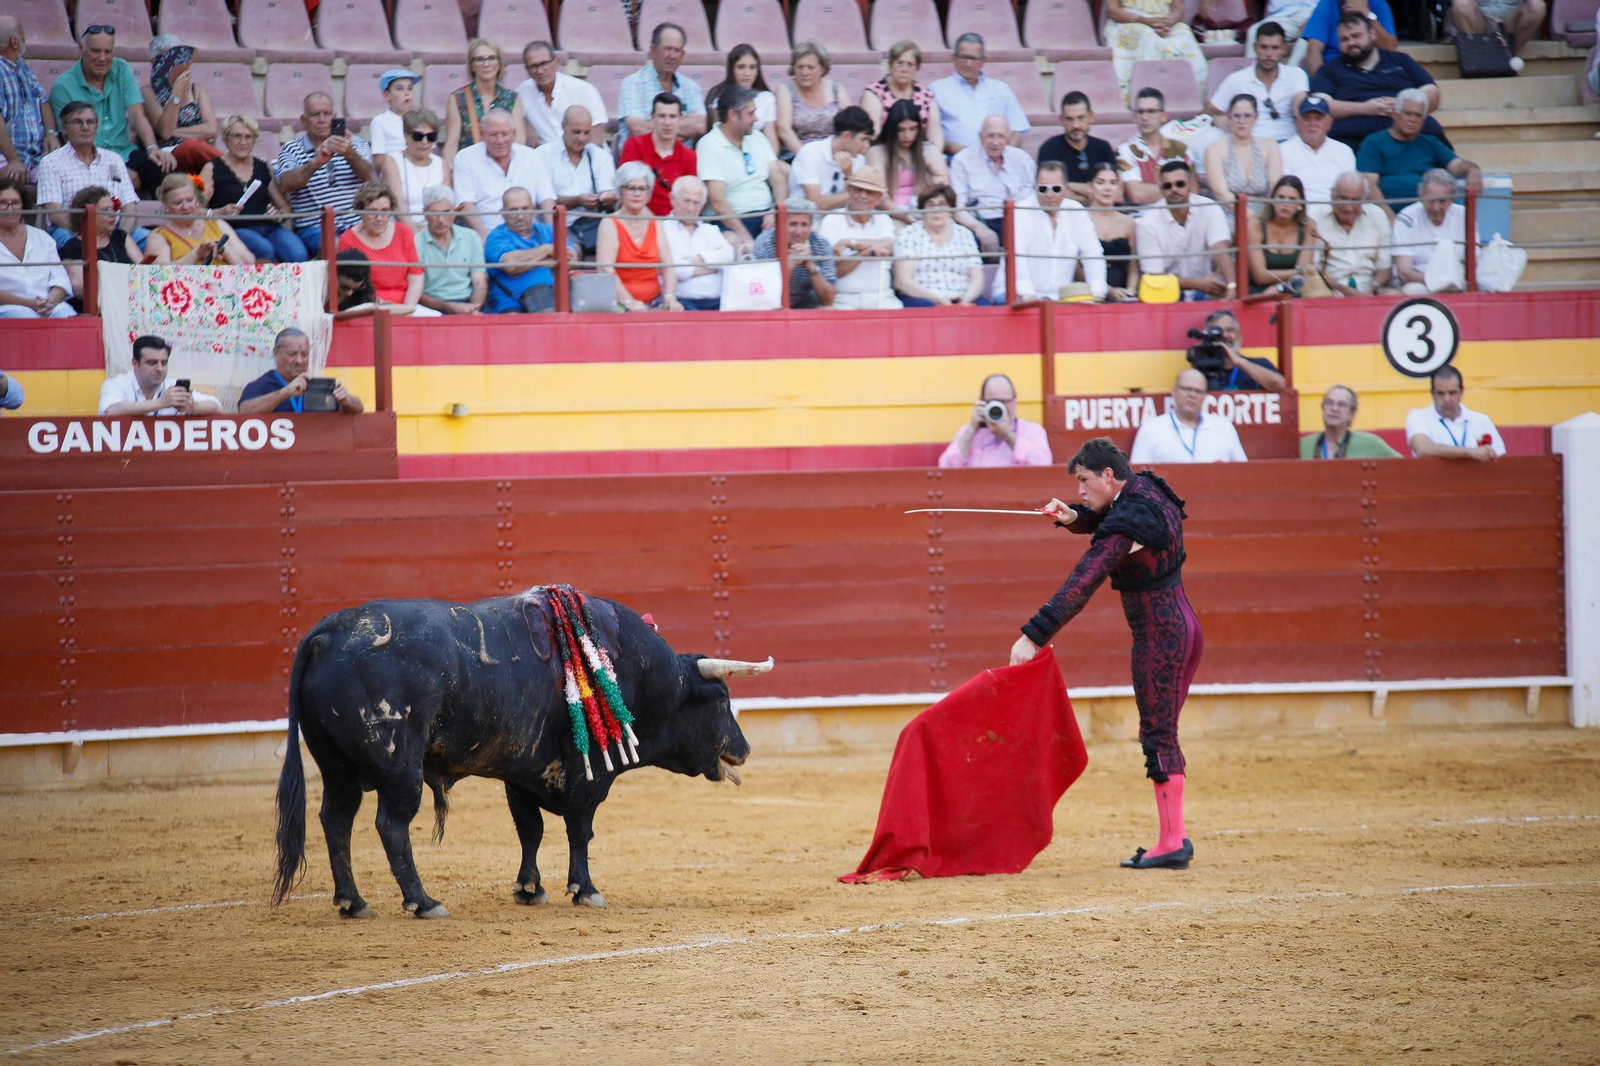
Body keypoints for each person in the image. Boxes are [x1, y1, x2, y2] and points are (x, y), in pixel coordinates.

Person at [1008, 437, 1202, 871]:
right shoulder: (1145, 490)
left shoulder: (1128, 519)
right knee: (1160, 732)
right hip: (1184, 628)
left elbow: (1084, 580)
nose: (1080, 489)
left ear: (1108, 475)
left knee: (1158, 735)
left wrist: (1034, 635)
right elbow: (1114, 520)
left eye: (1083, 481)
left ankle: (1173, 842)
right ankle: (1173, 837)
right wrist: (1076, 518)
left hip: (1160, 636)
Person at [48, 26, 172, 195]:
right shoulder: (63, 86)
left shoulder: (121, 68)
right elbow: (74, 141)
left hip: (124, 152)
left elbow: (137, 114)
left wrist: (152, 148)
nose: (102, 58)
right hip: (89, 161)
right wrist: (116, 171)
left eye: (108, 52)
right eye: (95, 51)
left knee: (168, 178)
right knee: (123, 186)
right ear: (81, 48)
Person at [1309, 13, 1443, 150]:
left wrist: (1402, 104)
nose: (1351, 43)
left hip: (1406, 130)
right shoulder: (1330, 69)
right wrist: (1365, 108)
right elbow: (1320, 105)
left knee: (1433, 132)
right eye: (1344, 39)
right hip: (1353, 136)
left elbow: (1432, 91)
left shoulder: (1400, 60)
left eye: (1356, 36)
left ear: (1372, 34)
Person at [275, 92, 375, 252]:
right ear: (303, 120)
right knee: (340, 247)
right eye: (315, 114)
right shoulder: (291, 148)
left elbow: (369, 176)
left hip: (357, 224)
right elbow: (287, 184)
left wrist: (349, 154)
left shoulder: (355, 143)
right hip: (314, 227)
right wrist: (315, 163)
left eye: (327, 113)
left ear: (334, 116)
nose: (322, 120)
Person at [201, 114, 307, 263]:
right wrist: (220, 212)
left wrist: (278, 214)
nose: (243, 142)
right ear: (226, 139)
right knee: (264, 249)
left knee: (298, 254)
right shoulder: (212, 168)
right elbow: (194, 210)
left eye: (248, 137)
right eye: (237, 136)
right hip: (234, 229)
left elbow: (285, 208)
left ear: (254, 140)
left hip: (269, 226)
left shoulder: (263, 166)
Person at [996, 160, 1107, 302]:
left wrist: (1097, 292)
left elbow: (1092, 253)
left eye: (1056, 189)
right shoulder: (1020, 211)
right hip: (1014, 294)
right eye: (1043, 189)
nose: (1049, 195)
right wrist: (1028, 296)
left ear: (1066, 189)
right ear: (1035, 187)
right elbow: (1018, 258)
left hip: (1060, 298)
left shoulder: (1076, 211)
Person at [1357, 89, 1480, 209]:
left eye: (1418, 115)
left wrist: (1473, 170)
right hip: (1389, 214)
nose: (1413, 120)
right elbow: (1370, 185)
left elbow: (1456, 165)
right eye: (1408, 113)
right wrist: (1389, 216)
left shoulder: (1430, 143)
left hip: (1429, 213)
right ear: (1395, 114)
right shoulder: (1374, 142)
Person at [35, 101, 137, 243]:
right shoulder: (51, 163)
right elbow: (55, 214)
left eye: (90, 122)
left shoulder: (114, 160)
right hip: (71, 231)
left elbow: (130, 206)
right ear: (64, 128)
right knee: (71, 242)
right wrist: (92, 235)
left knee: (152, 240)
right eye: (78, 122)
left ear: (97, 126)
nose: (85, 127)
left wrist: (121, 237)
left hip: (114, 230)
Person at [696, 87, 784, 250]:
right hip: (733, 222)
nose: (756, 118)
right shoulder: (709, 144)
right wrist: (747, 238)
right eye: (750, 114)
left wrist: (775, 211)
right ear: (733, 115)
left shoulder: (758, 137)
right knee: (737, 246)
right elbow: (717, 200)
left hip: (767, 218)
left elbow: (778, 180)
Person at [1135, 160, 1235, 300]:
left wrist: (1231, 287)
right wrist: (1198, 284)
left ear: (1191, 184)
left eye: (1180, 184)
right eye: (1167, 186)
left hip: (1207, 289)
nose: (1174, 189)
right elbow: (1154, 277)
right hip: (1166, 294)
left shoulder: (1209, 208)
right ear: (1161, 188)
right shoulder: (1148, 222)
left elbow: (1221, 250)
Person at [452, 108, 552, 238]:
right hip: (490, 234)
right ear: (482, 134)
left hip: (531, 234)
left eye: (505, 134)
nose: (500, 141)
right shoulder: (465, 157)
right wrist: (485, 241)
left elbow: (547, 199)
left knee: (572, 251)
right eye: (493, 134)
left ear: (514, 134)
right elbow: (465, 204)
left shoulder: (531, 156)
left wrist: (554, 236)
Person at [534, 104, 616, 258]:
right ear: (563, 127)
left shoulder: (601, 156)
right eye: (576, 132)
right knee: (569, 255)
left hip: (593, 226)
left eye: (586, 133)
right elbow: (544, 200)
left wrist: (605, 197)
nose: (582, 138)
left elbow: (607, 192)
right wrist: (578, 200)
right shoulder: (542, 155)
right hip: (557, 226)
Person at [337, 181, 431, 314]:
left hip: (406, 305)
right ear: (361, 212)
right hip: (369, 306)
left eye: (385, 211)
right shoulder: (349, 239)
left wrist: (407, 309)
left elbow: (415, 277)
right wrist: (383, 306)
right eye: (372, 212)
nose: (379, 218)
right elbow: (353, 286)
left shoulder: (403, 231)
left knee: (436, 320)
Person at [1206, 23, 1309, 143]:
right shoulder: (1237, 79)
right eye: (1264, 47)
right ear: (1255, 47)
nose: (1269, 54)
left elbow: (1301, 108)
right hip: (1249, 144)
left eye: (1275, 48)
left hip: (1289, 143)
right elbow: (1208, 111)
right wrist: (1215, 118)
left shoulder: (1296, 74)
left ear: (1284, 49)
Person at [597, 161, 677, 312]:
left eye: (642, 188)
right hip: (619, 303)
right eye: (631, 188)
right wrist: (629, 301)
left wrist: (670, 296)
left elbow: (668, 265)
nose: (637, 193)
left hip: (654, 301)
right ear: (620, 191)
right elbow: (605, 269)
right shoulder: (609, 223)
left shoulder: (655, 222)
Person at [931, 33, 1029, 155]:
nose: (968, 64)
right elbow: (929, 134)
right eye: (963, 57)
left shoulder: (1002, 89)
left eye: (974, 58)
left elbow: (1017, 131)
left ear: (983, 60)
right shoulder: (937, 89)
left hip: (997, 161)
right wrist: (961, 153)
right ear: (954, 58)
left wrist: (1001, 155)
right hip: (954, 159)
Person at [892, 184, 989, 306]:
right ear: (922, 210)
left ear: (951, 210)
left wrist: (965, 300)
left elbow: (977, 278)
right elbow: (903, 282)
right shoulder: (908, 233)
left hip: (962, 296)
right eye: (930, 204)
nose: (936, 209)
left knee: (987, 310)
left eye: (942, 204)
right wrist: (940, 300)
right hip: (923, 297)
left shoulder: (965, 234)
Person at [817, 165, 899, 309]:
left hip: (882, 296)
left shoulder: (883, 218)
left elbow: (887, 246)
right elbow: (834, 271)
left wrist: (850, 243)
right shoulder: (832, 219)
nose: (863, 196)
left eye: (869, 192)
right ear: (849, 191)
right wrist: (866, 252)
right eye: (858, 190)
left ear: (879, 198)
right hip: (843, 299)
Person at [950, 115, 1036, 251]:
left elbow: (1033, 199)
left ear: (1008, 138)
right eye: (990, 136)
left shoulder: (1023, 159)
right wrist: (981, 229)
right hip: (982, 221)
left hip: (1019, 221)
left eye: (1001, 137)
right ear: (980, 137)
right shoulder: (962, 161)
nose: (995, 143)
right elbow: (958, 209)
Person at [617, 23, 706, 149]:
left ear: (682, 55)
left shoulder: (691, 87)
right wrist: (683, 124)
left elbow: (700, 126)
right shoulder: (633, 83)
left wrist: (653, 126)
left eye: (677, 50)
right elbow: (638, 129)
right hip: (641, 161)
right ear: (653, 51)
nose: (672, 56)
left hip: (679, 163)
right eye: (667, 49)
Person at [1130, 367, 1248, 461]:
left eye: (1198, 391)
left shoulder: (1223, 427)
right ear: (1174, 391)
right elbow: (1137, 480)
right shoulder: (1151, 429)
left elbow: (1243, 472)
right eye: (1186, 389)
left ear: (1205, 396)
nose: (1192, 395)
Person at [239, 327, 363, 414]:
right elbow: (244, 411)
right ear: (276, 353)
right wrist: (284, 393)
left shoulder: (318, 386)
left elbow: (358, 408)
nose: (299, 360)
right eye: (292, 354)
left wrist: (347, 400)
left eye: (304, 354)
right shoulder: (262, 385)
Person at [141, 36, 219, 174]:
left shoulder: (197, 90)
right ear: (153, 62)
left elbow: (211, 129)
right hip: (169, 153)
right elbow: (165, 132)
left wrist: (175, 132)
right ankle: (229, 168)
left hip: (201, 150)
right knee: (192, 145)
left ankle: (228, 169)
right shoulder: (148, 92)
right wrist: (176, 94)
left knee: (196, 147)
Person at [1106, 0, 1208, 105]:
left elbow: (1178, 9)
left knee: (1185, 36)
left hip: (1164, 23)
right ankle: (1144, 101)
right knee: (1148, 37)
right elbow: (1112, 11)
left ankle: (1188, 101)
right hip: (1130, 22)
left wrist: (1169, 21)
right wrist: (1145, 21)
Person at [939, 372, 1052, 466]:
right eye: (995, 402)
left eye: (1005, 401)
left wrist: (1008, 435)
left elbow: (1044, 465)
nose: (1001, 407)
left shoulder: (1032, 431)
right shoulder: (968, 432)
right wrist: (972, 429)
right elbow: (946, 466)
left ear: (1014, 400)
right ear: (983, 401)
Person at [1308, 169, 1394, 293]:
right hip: (1330, 289)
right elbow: (1313, 269)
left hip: (1369, 288)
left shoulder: (1377, 216)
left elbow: (1384, 270)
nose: (1348, 208)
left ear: (1364, 199)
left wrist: (1370, 289)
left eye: (1355, 201)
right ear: (1332, 196)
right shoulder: (1316, 216)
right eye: (1343, 199)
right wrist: (1345, 290)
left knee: (1394, 296)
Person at [1392, 168, 1476, 294]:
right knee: (1413, 290)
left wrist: (1452, 281)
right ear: (1421, 197)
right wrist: (1439, 281)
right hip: (1420, 283)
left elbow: (1475, 263)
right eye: (1431, 201)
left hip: (1457, 282)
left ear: (1451, 200)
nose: (1436, 208)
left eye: (1442, 201)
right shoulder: (1406, 218)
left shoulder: (1464, 216)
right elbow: (1404, 273)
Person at [0, 175, 73, 317]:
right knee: (26, 317)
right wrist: (30, 304)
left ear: (23, 206)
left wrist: (48, 303)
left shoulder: (42, 237)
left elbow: (61, 280)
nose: (10, 208)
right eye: (3, 203)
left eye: (15, 202)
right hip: (8, 308)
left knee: (67, 315)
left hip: (48, 305)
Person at [444, 38, 525, 167]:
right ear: (472, 66)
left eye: (492, 58)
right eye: (480, 59)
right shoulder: (458, 99)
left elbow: (519, 141)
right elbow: (452, 143)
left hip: (505, 168)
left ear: (499, 63)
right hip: (470, 168)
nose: (486, 64)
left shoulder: (511, 98)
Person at [865, 98, 949, 222]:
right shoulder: (877, 152)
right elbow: (880, 197)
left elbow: (942, 185)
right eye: (901, 130)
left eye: (912, 129)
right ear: (892, 129)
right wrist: (908, 218)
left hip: (926, 212)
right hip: (889, 215)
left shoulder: (929, 149)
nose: (907, 136)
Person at [145, 172, 255, 265]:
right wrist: (196, 254)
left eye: (189, 200)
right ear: (167, 206)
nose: (186, 207)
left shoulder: (216, 223)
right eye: (178, 203)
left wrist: (223, 250)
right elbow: (159, 275)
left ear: (197, 201)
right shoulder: (158, 235)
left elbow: (249, 262)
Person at [660, 174, 733, 311]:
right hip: (681, 304)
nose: (690, 208)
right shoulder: (661, 229)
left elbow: (729, 256)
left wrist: (693, 260)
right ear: (672, 199)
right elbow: (676, 270)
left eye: (696, 203)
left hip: (718, 303)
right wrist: (713, 266)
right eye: (686, 201)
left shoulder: (710, 230)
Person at [1247, 175, 1331, 295]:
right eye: (1281, 197)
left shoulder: (1309, 227)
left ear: (1300, 204)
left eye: (1292, 199)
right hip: (1258, 292)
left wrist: (1280, 287)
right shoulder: (1255, 225)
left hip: (1293, 290)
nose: (1285, 203)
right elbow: (1260, 276)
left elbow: (1303, 272)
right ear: (1272, 200)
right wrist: (1297, 272)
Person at [60, 185, 140, 308]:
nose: (113, 214)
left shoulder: (121, 237)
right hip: (96, 308)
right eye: (105, 210)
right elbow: (80, 287)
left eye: (113, 208)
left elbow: (143, 267)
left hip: (129, 303)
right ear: (86, 215)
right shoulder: (72, 247)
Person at [99, 334, 221, 415]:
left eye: (164, 363)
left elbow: (216, 406)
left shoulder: (172, 386)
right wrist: (161, 403)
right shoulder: (116, 384)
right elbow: (110, 410)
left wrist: (191, 406)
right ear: (135, 363)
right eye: (152, 363)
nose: (159, 368)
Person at [619, 92, 697, 218]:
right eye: (661, 116)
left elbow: (689, 199)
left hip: (675, 222)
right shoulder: (633, 146)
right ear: (652, 117)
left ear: (680, 119)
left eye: (672, 116)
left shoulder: (689, 157)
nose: (667, 123)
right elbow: (627, 192)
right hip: (638, 218)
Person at [860, 40, 944, 156]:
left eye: (910, 64)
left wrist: (932, 156)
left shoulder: (927, 94)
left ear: (917, 67)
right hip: (885, 153)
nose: (904, 69)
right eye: (899, 63)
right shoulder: (874, 92)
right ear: (890, 65)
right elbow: (874, 133)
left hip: (920, 155)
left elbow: (935, 133)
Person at [517, 41, 607, 149]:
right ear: (527, 70)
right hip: (545, 159)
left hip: (585, 156)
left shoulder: (584, 90)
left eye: (544, 64)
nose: (540, 71)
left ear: (557, 62)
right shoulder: (522, 92)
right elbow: (510, 117)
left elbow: (595, 139)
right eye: (533, 66)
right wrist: (525, 126)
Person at [751, 194, 835, 309]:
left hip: (806, 301)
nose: (798, 231)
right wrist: (789, 267)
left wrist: (811, 266)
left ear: (811, 226)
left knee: (829, 310)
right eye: (793, 224)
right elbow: (764, 296)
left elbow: (828, 300)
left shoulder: (821, 244)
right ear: (780, 225)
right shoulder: (764, 243)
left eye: (804, 225)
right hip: (771, 305)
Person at [1205, 94, 1283, 216]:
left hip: (1264, 213)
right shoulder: (1214, 149)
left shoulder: (1270, 145)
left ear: (1256, 118)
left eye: (1247, 116)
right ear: (1229, 118)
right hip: (1229, 213)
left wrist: (1268, 216)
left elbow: (1275, 185)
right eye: (1237, 116)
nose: (1242, 121)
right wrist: (1250, 217)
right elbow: (1220, 192)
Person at [1404, 365, 1504, 460]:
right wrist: (1469, 452)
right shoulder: (1419, 416)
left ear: (1462, 392)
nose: (1446, 399)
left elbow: (1499, 457)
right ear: (1432, 393)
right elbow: (1422, 449)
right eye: (1440, 393)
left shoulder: (1481, 420)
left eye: (1452, 393)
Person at [0, 15, 57, 181]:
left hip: (35, 155)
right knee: (12, 176)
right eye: (23, 35)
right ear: (14, 42)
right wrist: (13, 160)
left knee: (62, 178)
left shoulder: (20, 64)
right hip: (7, 156)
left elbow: (42, 99)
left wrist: (51, 133)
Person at [415, 184, 486, 314]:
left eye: (446, 213)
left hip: (468, 303)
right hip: (433, 308)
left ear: (454, 213)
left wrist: (473, 309)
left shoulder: (471, 237)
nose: (441, 220)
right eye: (434, 214)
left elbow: (479, 282)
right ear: (424, 214)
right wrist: (450, 307)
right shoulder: (415, 244)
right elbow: (416, 292)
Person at [775, 41, 855, 154]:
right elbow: (784, 130)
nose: (804, 72)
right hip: (800, 154)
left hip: (834, 152)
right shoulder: (785, 90)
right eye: (800, 67)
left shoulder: (836, 88)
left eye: (810, 67)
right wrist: (808, 157)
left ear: (822, 69)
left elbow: (852, 122)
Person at [1116, 88, 1193, 205]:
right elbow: (1137, 194)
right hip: (1142, 218)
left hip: (1179, 214)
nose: (1145, 117)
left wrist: (1152, 190)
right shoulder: (1124, 150)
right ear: (1135, 117)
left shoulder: (1181, 149)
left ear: (1163, 116)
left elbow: (1193, 189)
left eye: (1151, 111)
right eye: (1140, 112)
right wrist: (1177, 189)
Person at [1037, 92, 1118, 203]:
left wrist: (1069, 186)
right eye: (1070, 119)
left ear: (1091, 117)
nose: (1076, 125)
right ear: (1061, 120)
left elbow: (1117, 194)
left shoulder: (1103, 148)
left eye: (1081, 118)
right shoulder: (1050, 149)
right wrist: (1097, 195)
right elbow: (1050, 194)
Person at [1278, 94, 1355, 207]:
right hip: (1298, 212)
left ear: (1329, 123)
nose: (1313, 124)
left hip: (1335, 212)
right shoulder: (1282, 150)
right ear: (1297, 122)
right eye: (1307, 119)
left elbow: (1349, 191)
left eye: (1318, 119)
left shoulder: (1343, 151)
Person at [789, 105, 873, 210]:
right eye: (863, 139)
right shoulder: (810, 153)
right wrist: (855, 195)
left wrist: (849, 175)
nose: (866, 146)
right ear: (847, 136)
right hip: (807, 220)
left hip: (840, 221)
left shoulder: (859, 159)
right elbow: (815, 204)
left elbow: (852, 206)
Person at [705, 43, 780, 155]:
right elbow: (717, 137)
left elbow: (772, 139)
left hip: (761, 155)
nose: (747, 73)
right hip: (728, 154)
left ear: (757, 71)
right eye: (741, 67)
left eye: (752, 67)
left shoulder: (767, 98)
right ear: (732, 69)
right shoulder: (720, 97)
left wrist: (769, 161)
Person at [379, 108, 449, 227]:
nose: (425, 142)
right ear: (406, 136)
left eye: (431, 136)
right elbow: (397, 206)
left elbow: (447, 206)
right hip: (404, 229)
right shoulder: (392, 161)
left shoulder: (441, 163)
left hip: (437, 229)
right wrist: (417, 236)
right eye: (418, 136)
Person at [1086, 161, 1140, 301]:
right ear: (1090, 187)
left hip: (1122, 294)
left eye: (1113, 183)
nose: (1107, 188)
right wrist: (1108, 290)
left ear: (1119, 188)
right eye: (1101, 182)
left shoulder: (1129, 223)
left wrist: (1130, 291)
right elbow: (1077, 268)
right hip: (1088, 292)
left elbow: (1133, 267)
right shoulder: (1081, 220)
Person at [1300, 384, 1401, 458]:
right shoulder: (1304, 445)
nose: (1334, 408)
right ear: (1322, 408)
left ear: (1352, 414)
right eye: (1329, 403)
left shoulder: (1371, 444)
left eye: (1342, 404)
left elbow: (1405, 468)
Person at [1302, 0, 1400, 75]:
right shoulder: (1328, 4)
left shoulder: (1377, 3)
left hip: (1375, 70)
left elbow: (1390, 48)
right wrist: (1322, 84)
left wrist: (1367, 13)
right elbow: (1313, 51)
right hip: (1337, 72)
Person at [1200, 309, 1287, 390]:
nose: (1225, 335)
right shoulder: (1202, 369)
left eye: (1230, 330)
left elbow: (1279, 385)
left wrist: (1239, 362)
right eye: (1218, 332)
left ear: (1239, 335)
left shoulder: (1260, 364)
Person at [1451, 0, 1546, 58]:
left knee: (1537, 6)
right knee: (1461, 3)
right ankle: (1477, 58)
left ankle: (1507, 56)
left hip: (1511, 20)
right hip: (1480, 19)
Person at [367, 68, 417, 166]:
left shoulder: (420, 118)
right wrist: (409, 152)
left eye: (410, 88)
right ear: (387, 95)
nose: (407, 93)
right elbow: (378, 162)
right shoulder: (380, 121)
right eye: (399, 89)